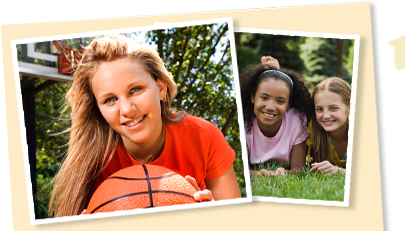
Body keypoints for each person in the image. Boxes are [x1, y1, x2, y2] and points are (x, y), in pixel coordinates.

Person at [48, 34, 241, 217]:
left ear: (160, 89)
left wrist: (216, 217)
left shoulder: (203, 136)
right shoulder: (94, 160)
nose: (127, 109)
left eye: (135, 89)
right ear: (98, 109)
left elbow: (236, 227)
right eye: (110, 100)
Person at [240, 59, 313, 178]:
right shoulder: (245, 122)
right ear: (253, 97)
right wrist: (257, 174)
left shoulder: (296, 122)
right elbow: (239, 170)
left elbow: (299, 169)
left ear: (288, 104)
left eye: (280, 101)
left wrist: (286, 173)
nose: (270, 107)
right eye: (264, 98)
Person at [307, 77, 351, 174]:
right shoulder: (312, 129)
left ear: (350, 108)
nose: (326, 116)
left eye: (333, 108)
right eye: (319, 109)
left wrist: (339, 171)